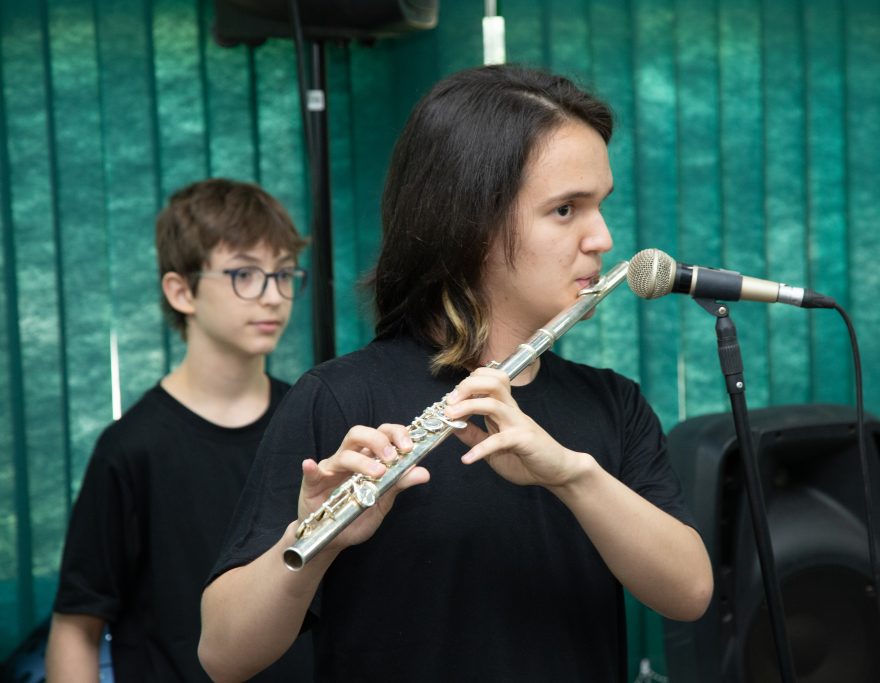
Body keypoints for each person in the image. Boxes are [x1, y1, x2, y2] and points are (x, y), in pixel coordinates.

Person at [198, 65, 713, 682]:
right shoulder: (340, 397)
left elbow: (689, 592)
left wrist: (572, 475)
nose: (601, 237)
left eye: (600, 206)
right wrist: (317, 541)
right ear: (470, 220)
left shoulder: (611, 403)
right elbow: (224, 655)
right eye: (565, 209)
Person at [47, 178, 315, 682]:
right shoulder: (130, 449)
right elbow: (76, 627)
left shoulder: (310, 420)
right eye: (244, 274)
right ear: (181, 290)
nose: (273, 296)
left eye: (283, 275)